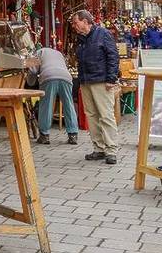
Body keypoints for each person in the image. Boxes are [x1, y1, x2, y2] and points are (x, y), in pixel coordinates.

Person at [71, 10, 120, 164]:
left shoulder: (103, 34)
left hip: (101, 80)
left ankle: (111, 149)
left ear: (85, 21)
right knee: (91, 115)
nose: (74, 26)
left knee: (105, 115)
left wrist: (111, 78)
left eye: (76, 23)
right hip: (86, 80)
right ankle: (98, 148)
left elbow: (113, 55)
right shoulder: (81, 39)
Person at [26, 47, 79, 145]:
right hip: (66, 77)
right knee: (69, 105)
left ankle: (44, 135)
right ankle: (73, 135)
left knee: (46, 105)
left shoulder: (38, 52)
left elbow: (32, 71)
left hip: (48, 76)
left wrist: (29, 83)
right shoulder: (58, 53)